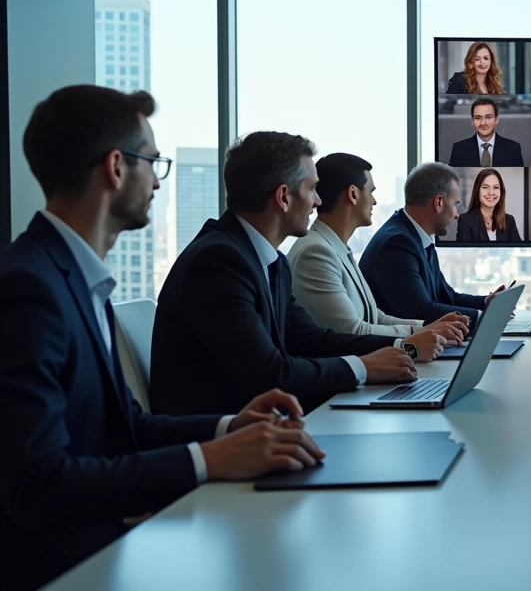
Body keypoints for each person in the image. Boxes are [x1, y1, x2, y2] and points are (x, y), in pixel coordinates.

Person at [1, 85, 324, 591]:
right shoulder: (30, 289)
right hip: (70, 569)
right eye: (152, 161)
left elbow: (125, 425)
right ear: (114, 167)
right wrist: (208, 460)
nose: (157, 178)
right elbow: (39, 487)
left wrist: (228, 428)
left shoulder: (73, 277)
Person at [151, 132, 419, 417]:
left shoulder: (270, 261)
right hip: (225, 441)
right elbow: (270, 373)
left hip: (267, 425)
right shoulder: (218, 262)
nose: (318, 201)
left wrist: (401, 346)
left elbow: (312, 339)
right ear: (283, 197)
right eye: (312, 189)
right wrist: (364, 367)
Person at [286, 152, 471, 360]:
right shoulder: (316, 253)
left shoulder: (336, 248)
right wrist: (417, 336)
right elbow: (352, 331)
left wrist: (428, 327)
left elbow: (376, 317)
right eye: (371, 191)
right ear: (353, 194)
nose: (374, 201)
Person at [360, 162, 505, 326]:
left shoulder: (416, 237)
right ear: (438, 202)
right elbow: (422, 312)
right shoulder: (397, 244)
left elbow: (446, 296)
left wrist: (486, 303)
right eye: (455, 204)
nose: (457, 215)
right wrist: (483, 318)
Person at [447, 98, 525, 167]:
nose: (483, 123)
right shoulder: (459, 149)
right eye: (478, 118)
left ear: (496, 119)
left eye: (488, 117)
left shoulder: (513, 149)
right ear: (472, 121)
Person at [457, 168, 523, 242]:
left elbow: (518, 248)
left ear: (501, 191)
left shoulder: (509, 220)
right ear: (477, 190)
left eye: (496, 187)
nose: (491, 193)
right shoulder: (466, 220)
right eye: (485, 187)